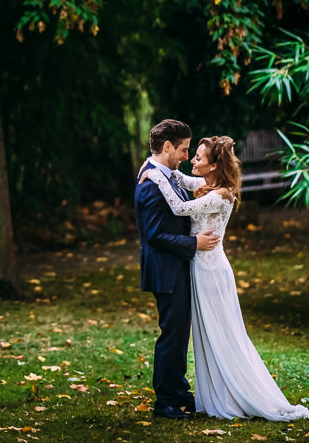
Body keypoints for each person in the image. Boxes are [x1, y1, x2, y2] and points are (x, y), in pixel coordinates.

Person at [143, 134, 309, 421]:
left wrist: (156, 179)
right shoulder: (211, 185)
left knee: (224, 333)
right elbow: (183, 181)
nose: (192, 160)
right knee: (208, 334)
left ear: (213, 166)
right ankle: (215, 389)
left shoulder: (220, 194)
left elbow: (179, 208)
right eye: (191, 154)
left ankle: (236, 391)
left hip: (210, 272)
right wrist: (156, 168)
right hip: (201, 268)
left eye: (198, 157)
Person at [134, 119, 220, 420]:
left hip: (176, 267)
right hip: (166, 271)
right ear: (167, 146)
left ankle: (179, 390)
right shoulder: (150, 182)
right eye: (183, 150)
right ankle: (166, 402)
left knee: (180, 333)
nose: (186, 156)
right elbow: (155, 235)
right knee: (172, 336)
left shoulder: (167, 175)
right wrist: (193, 243)